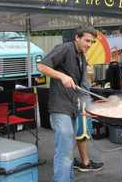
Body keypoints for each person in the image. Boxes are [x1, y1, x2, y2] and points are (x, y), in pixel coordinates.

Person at [38, 26, 100, 182]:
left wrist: (86, 105)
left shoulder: (81, 56)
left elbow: (81, 85)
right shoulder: (65, 48)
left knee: (68, 149)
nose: (89, 45)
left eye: (91, 42)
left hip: (72, 107)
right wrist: (62, 76)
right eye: (87, 40)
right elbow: (41, 66)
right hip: (60, 107)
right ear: (76, 38)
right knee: (64, 150)